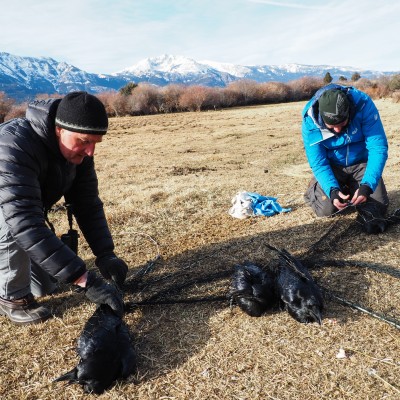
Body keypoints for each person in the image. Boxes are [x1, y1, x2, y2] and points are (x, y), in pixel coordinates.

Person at [0, 91, 129, 325]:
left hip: (24, 214)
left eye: (95, 143)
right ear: (59, 129)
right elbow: (24, 221)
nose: (90, 152)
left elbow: (87, 204)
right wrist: (83, 279)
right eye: (84, 141)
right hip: (9, 215)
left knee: (45, 286)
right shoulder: (13, 146)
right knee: (11, 225)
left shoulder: (79, 154)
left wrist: (105, 254)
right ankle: (12, 299)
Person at [302, 83, 389, 233]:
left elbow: (378, 148)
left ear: (349, 111)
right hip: (333, 166)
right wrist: (332, 190)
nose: (337, 130)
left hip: (361, 163)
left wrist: (367, 186)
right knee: (326, 210)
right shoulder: (310, 121)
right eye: (331, 126)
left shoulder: (364, 105)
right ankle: (317, 187)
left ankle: (354, 185)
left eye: (342, 123)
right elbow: (318, 162)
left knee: (378, 207)